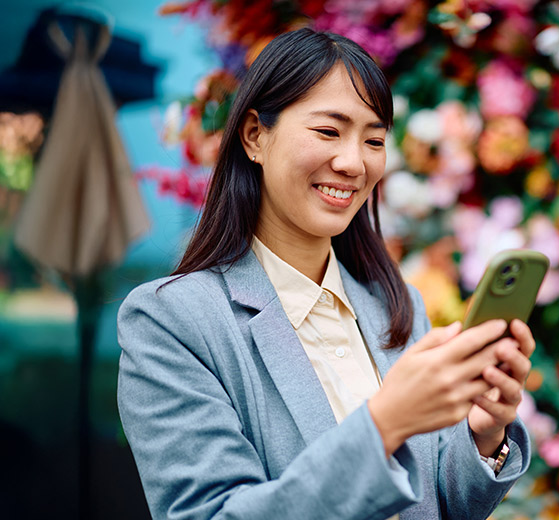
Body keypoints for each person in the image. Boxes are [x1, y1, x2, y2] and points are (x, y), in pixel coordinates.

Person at [117, 28, 534, 520]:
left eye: (374, 139)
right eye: (328, 131)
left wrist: (484, 436)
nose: (353, 162)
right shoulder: (171, 322)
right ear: (255, 136)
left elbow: (437, 507)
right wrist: (385, 424)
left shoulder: (396, 307)